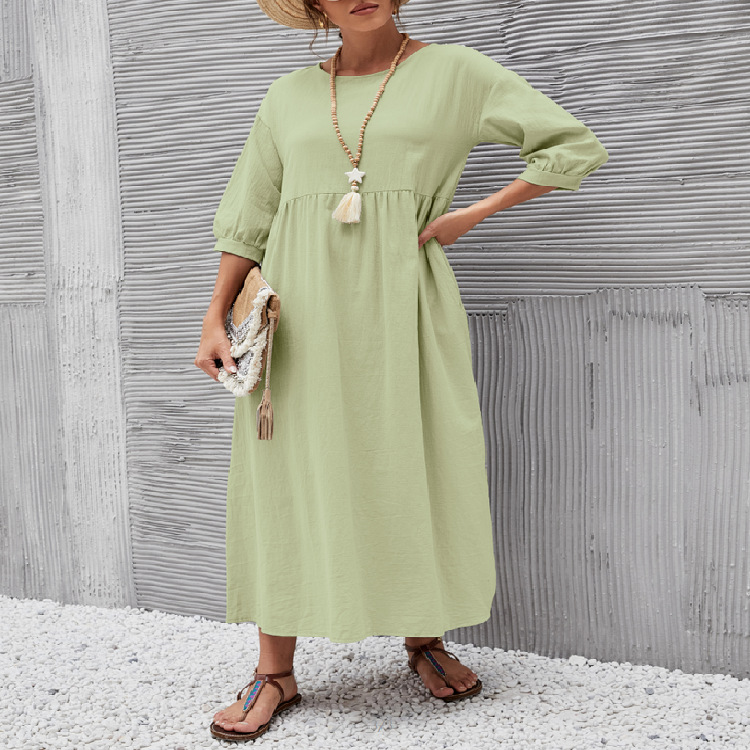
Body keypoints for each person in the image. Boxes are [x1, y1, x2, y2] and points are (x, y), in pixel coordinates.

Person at [195, 0, 609, 741]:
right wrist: (214, 314)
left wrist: (469, 215)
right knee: (286, 473)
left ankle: (424, 638)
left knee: (414, 457)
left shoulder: (456, 73)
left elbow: (569, 146)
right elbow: (251, 212)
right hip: (300, 314)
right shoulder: (288, 95)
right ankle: (274, 670)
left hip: (403, 302)